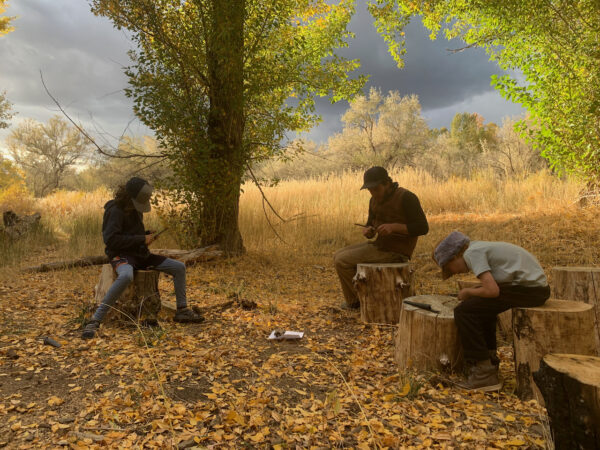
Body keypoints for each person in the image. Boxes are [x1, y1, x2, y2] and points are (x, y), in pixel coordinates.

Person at [82, 177, 204, 339]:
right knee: (126, 276)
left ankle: (182, 311)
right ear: (129, 197)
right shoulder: (115, 211)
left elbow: (132, 235)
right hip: (121, 255)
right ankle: (96, 319)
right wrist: (141, 239)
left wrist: (146, 236)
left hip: (140, 255)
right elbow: (111, 240)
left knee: (179, 267)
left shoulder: (136, 210)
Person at [432, 231, 551, 391]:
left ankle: (483, 372)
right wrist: (475, 292)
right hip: (533, 288)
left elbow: (492, 291)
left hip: (531, 290)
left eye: (450, 268)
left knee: (464, 312)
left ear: (453, 257)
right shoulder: (477, 248)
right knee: (480, 308)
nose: (455, 273)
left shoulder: (472, 253)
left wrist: (468, 293)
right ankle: (489, 362)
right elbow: (494, 287)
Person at [334, 166, 429, 309]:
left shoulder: (407, 197)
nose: (373, 193)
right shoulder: (373, 200)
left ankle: (356, 303)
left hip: (396, 251)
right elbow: (370, 223)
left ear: (387, 183)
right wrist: (368, 231)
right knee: (337, 255)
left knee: (342, 261)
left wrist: (394, 227)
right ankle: (364, 297)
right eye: (370, 190)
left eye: (376, 189)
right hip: (380, 246)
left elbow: (423, 227)